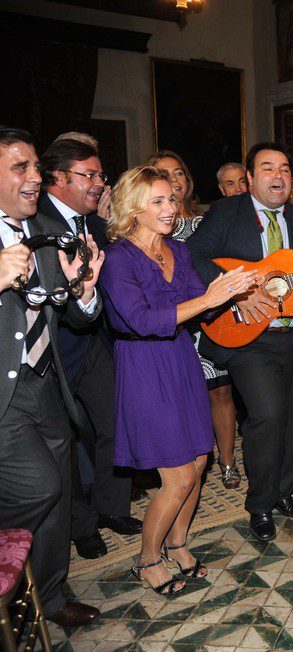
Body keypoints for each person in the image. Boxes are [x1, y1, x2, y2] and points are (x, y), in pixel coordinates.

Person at [100, 166, 254, 595]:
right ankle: (147, 558)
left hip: (182, 360)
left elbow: (201, 308)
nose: (171, 208)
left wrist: (230, 292)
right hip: (145, 367)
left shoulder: (178, 252)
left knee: (199, 463)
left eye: (172, 199)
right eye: (159, 201)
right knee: (177, 476)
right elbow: (140, 320)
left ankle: (178, 542)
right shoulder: (117, 260)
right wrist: (208, 298)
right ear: (133, 209)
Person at [188, 142, 293, 542]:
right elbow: (194, 256)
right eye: (268, 168)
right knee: (267, 416)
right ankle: (259, 504)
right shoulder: (226, 213)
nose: (278, 176)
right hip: (247, 337)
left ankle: (284, 492)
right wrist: (235, 291)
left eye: (286, 169)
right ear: (250, 178)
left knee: (292, 420)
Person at [0, 126, 104, 628]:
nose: (34, 177)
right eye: (20, 167)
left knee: (60, 491)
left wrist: (83, 288)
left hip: (47, 385)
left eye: (36, 167)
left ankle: (50, 596)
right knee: (39, 486)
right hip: (5, 397)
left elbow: (74, 316)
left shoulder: (43, 229)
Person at [38, 138, 141, 560]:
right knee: (68, 442)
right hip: (54, 353)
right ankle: (81, 527)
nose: (101, 183)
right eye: (91, 175)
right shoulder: (34, 226)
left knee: (114, 426)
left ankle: (112, 508)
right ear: (59, 178)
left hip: (95, 343)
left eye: (101, 175)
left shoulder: (94, 227)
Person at [151, 151, 240, 490]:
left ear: (187, 180)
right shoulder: (152, 228)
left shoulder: (208, 220)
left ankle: (229, 464)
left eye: (179, 173)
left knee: (221, 392)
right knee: (186, 396)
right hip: (176, 321)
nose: (174, 179)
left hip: (213, 318)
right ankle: (189, 467)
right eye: (164, 173)